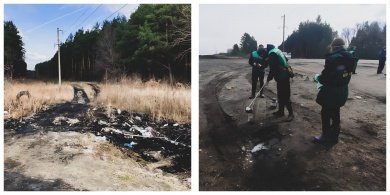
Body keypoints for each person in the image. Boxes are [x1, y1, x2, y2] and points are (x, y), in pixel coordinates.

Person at [313, 38, 354, 144]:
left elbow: (326, 78)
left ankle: (325, 136)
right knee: (336, 113)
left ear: (334, 47)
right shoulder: (349, 57)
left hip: (331, 92)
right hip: (343, 90)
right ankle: (335, 137)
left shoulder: (332, 58)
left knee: (325, 113)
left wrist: (318, 78)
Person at [265, 44, 294, 122]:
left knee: (285, 96)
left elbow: (272, 69)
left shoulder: (272, 54)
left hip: (283, 77)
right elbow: (286, 60)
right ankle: (281, 111)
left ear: (268, 50)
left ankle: (291, 114)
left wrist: (268, 79)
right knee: (280, 95)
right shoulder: (278, 51)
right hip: (283, 76)